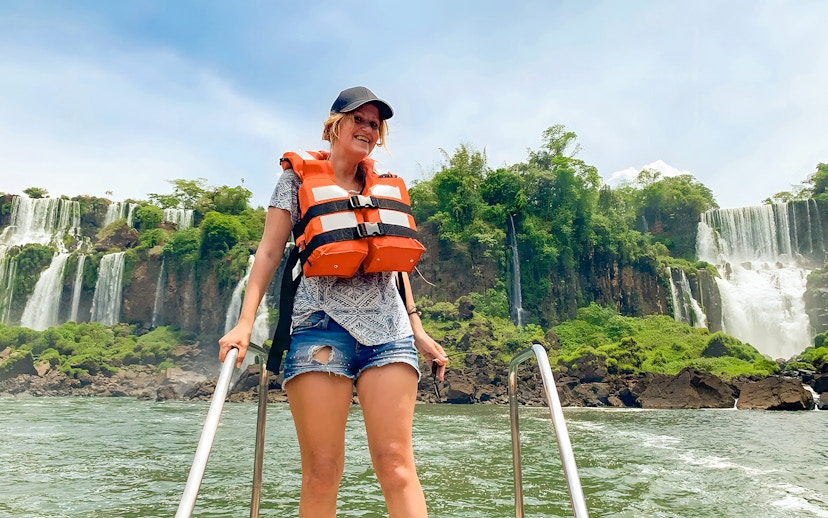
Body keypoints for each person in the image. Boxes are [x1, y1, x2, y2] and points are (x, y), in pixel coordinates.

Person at [219, 86, 448, 518]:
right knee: (323, 470)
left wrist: (417, 329)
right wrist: (245, 323)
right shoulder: (295, 180)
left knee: (397, 466)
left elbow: (395, 264)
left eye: (374, 124)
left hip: (389, 332)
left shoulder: (385, 186)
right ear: (334, 124)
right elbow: (269, 253)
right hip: (318, 330)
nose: (366, 129)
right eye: (358, 119)